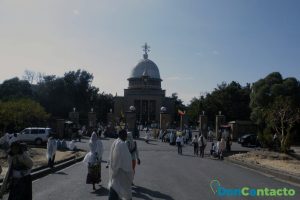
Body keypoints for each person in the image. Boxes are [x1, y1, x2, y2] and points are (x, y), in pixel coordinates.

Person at [108, 129, 133, 200]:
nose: (126, 136)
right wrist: (115, 172)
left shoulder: (116, 142)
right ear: (121, 135)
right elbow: (118, 159)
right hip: (121, 173)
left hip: (118, 172)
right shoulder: (121, 144)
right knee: (124, 192)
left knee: (115, 189)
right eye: (125, 135)